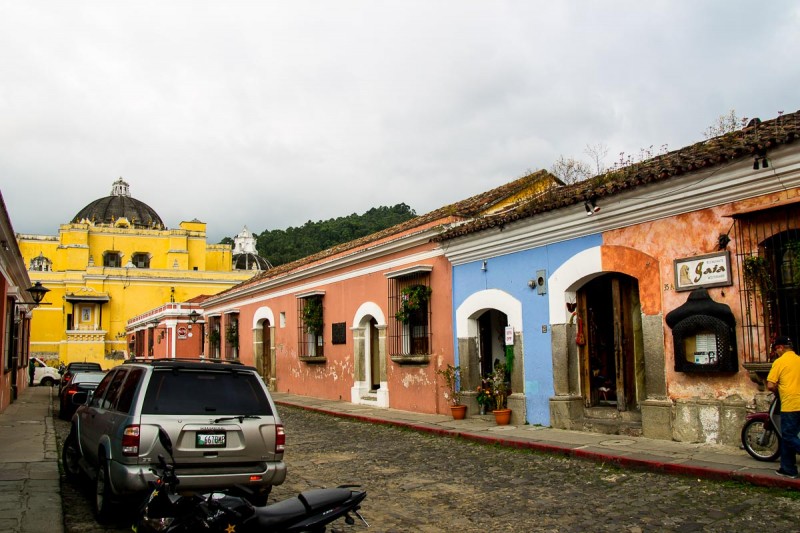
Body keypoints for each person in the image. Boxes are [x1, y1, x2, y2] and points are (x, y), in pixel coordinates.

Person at [766, 335, 800, 479]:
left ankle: (788, 468)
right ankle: (787, 468)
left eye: (776, 349)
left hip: (790, 404)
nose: (776, 352)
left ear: (780, 347)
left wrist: (777, 390)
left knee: (789, 436)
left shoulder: (780, 362)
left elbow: (770, 385)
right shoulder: (798, 359)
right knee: (787, 436)